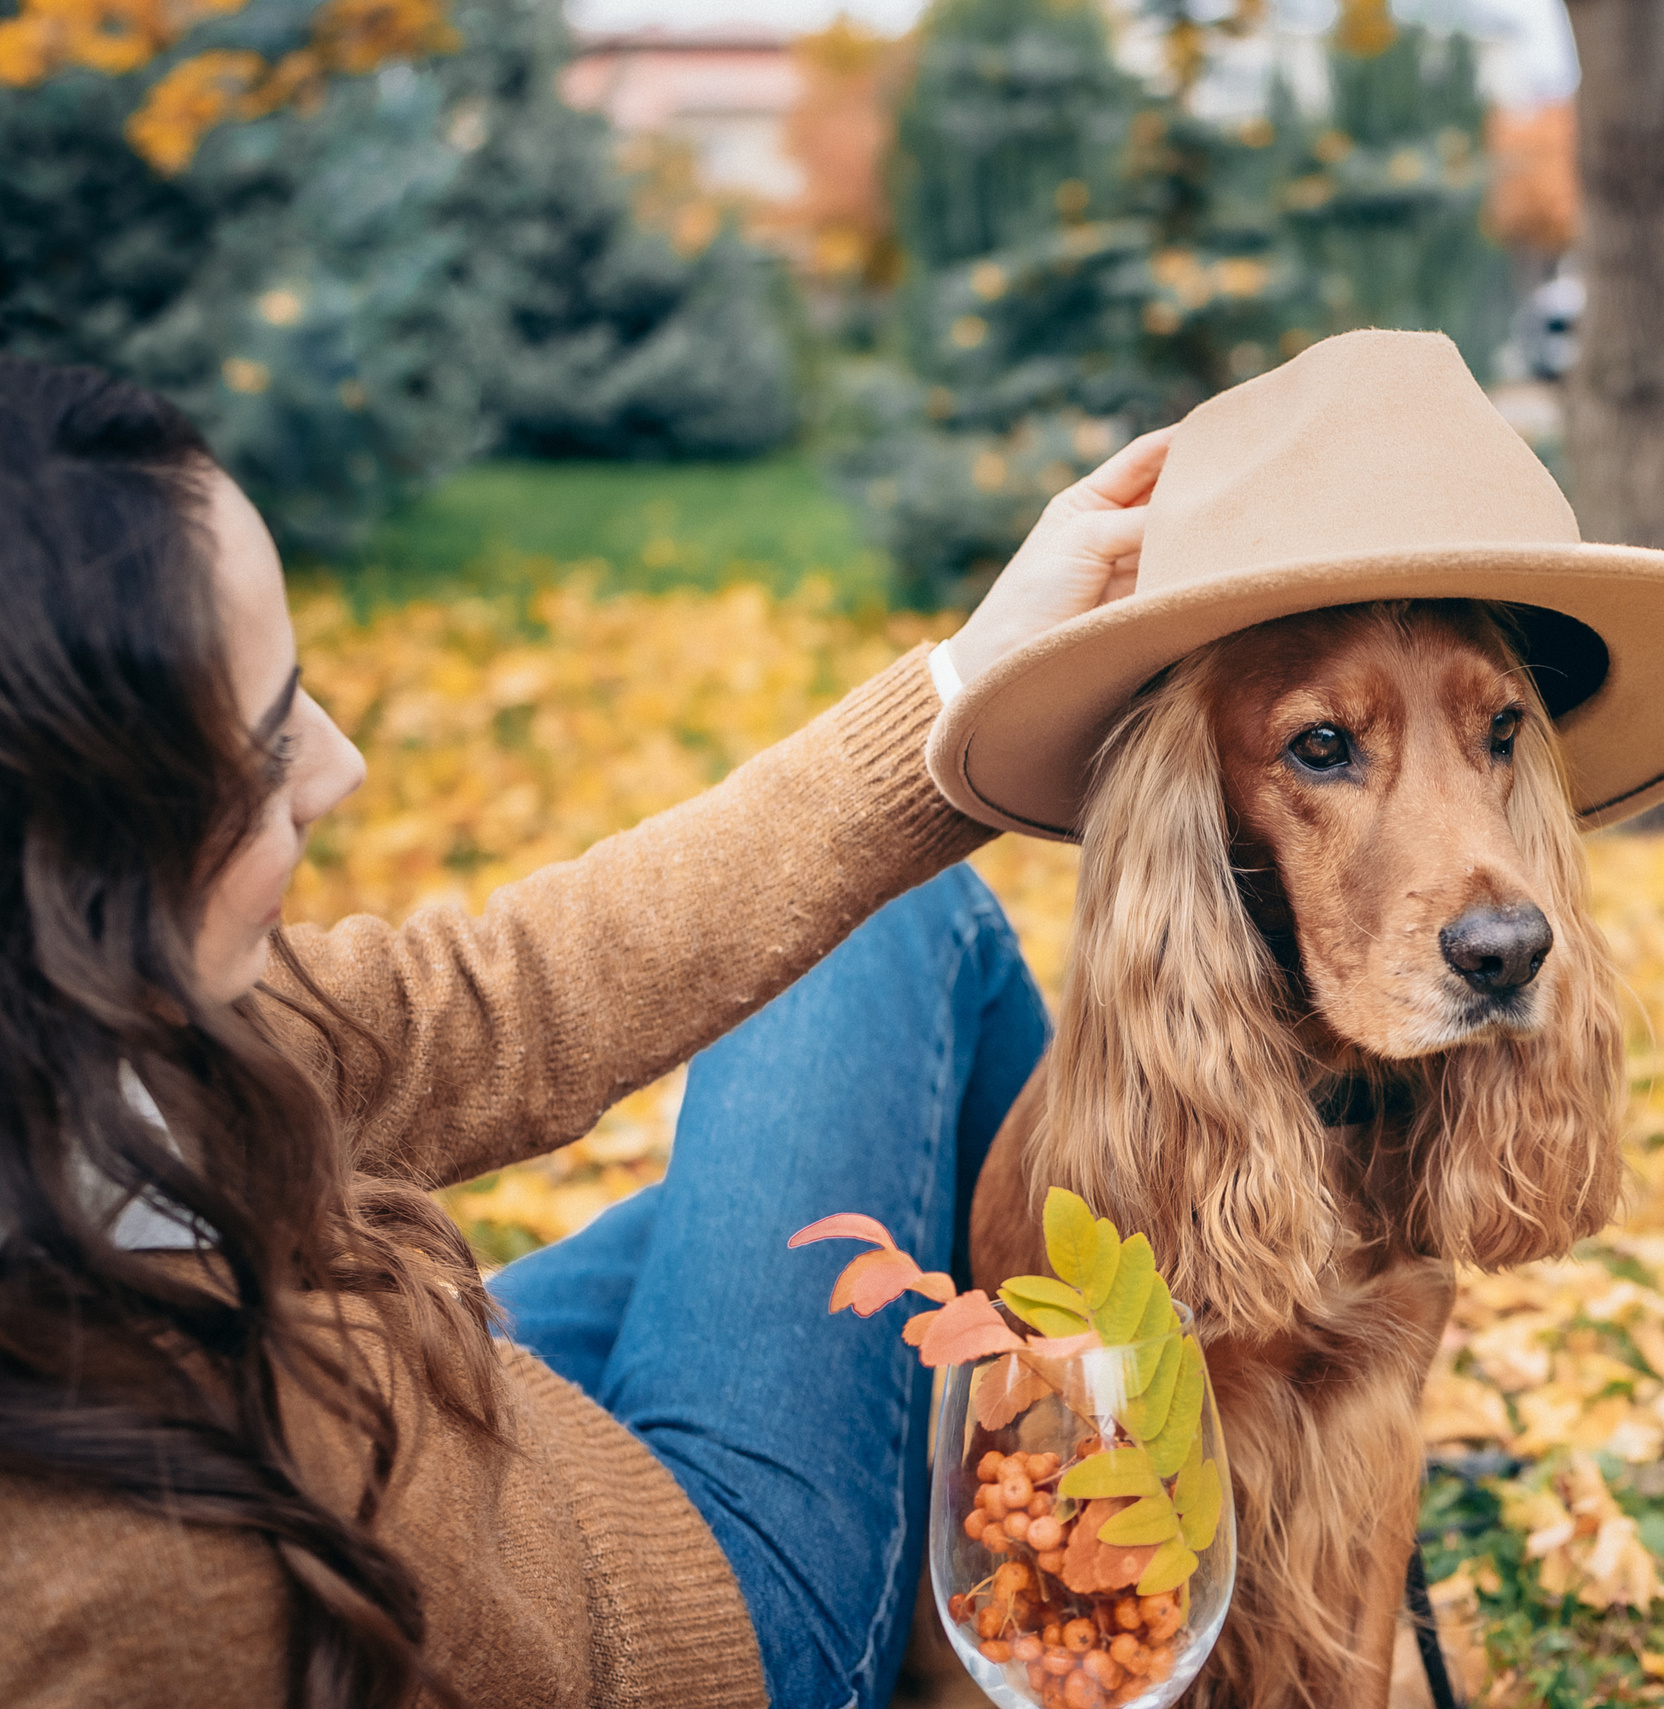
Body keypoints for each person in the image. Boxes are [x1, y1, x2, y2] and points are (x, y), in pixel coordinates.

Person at [0, 355, 1167, 1709]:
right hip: (704, 1612)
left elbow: (497, 994)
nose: (340, 767)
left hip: (459, 1431)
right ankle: (1091, 1569)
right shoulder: (131, 1579)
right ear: (69, 881)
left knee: (874, 1121)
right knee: (914, 938)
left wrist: (965, 681)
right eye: (264, 753)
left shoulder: (105, 1037)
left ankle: (1052, 1448)